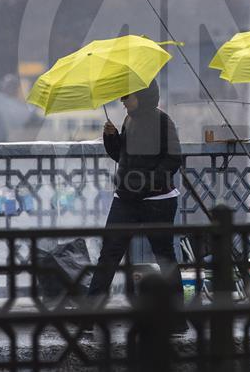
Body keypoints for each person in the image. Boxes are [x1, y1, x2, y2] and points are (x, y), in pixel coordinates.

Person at [85, 79, 184, 330]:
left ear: (142, 96)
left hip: (157, 199)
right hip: (126, 197)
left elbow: (173, 159)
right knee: (109, 254)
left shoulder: (163, 121)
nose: (122, 100)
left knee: (165, 258)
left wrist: (149, 182)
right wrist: (112, 139)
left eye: (126, 96)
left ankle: (176, 319)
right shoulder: (129, 120)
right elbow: (123, 157)